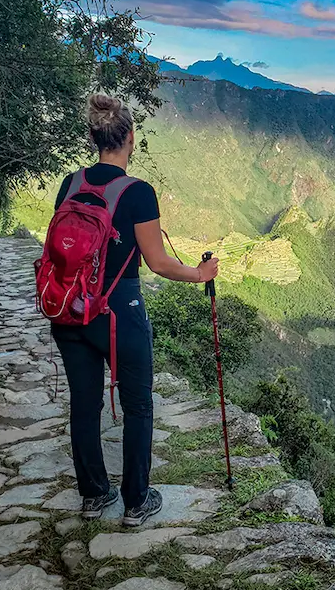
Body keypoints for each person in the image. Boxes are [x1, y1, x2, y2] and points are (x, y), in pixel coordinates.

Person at [51, 93, 219, 526]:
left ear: (94, 137)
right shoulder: (138, 192)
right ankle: (136, 502)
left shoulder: (70, 184)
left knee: (83, 405)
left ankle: (93, 494)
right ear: (129, 138)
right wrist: (201, 274)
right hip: (118, 312)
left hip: (70, 309)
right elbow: (158, 262)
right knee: (139, 406)